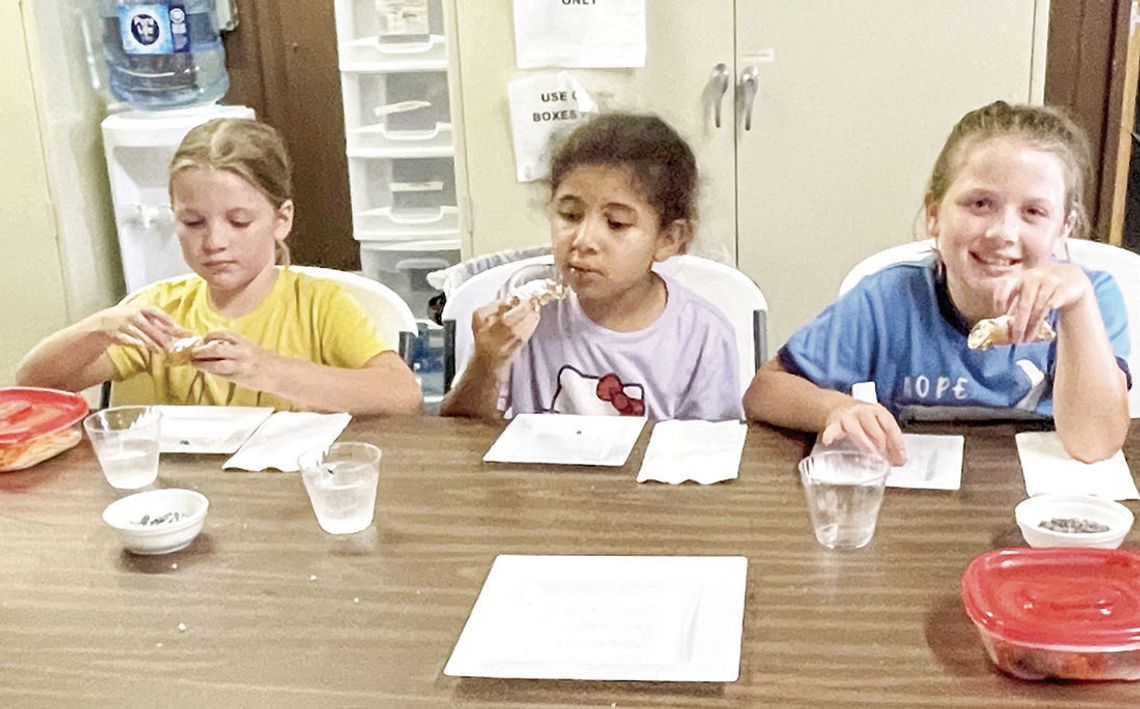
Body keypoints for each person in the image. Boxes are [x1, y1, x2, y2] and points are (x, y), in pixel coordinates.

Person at [743, 101, 1130, 464]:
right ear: (934, 215)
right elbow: (764, 392)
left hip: (1043, 511)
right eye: (980, 204)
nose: (1003, 232)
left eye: (1033, 211)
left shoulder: (1091, 301)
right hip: (918, 504)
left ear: (1064, 228)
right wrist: (836, 408)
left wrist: (1077, 307)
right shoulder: (886, 301)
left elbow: (1093, 444)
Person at [17, 118, 421, 415]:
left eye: (239, 221)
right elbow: (35, 385)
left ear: (282, 220)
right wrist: (98, 328)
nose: (214, 242)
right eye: (193, 222)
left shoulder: (319, 305)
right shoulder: (163, 312)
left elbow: (402, 395)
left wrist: (267, 370)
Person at [441, 113, 741, 421]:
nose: (583, 241)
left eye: (616, 223)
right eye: (570, 215)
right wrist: (488, 361)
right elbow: (461, 430)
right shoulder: (522, 306)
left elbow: (712, 451)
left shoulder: (702, 335)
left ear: (668, 239)